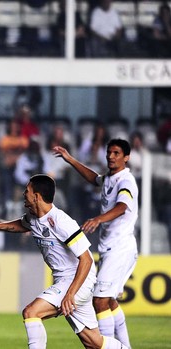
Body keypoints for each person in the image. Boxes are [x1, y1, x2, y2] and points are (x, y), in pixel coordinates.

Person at [0, 174, 127, 349]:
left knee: (31, 312)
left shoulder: (61, 222)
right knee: (94, 342)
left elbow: (86, 260)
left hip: (76, 282)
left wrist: (70, 294)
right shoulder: (33, 217)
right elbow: (22, 225)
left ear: (36, 196)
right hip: (68, 283)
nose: (24, 194)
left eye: (27, 191)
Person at [53, 139, 137, 348]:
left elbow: (122, 206)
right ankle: (125, 345)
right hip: (111, 248)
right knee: (109, 301)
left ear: (126, 157)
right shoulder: (109, 177)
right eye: (109, 152)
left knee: (99, 301)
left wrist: (98, 219)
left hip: (120, 248)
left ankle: (108, 346)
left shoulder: (126, 181)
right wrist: (70, 159)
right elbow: (94, 178)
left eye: (116, 153)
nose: (111, 156)